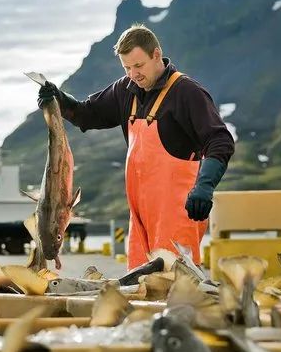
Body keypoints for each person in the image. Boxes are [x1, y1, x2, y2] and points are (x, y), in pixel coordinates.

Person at [38, 24, 235, 268]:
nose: (133, 74)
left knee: (175, 288)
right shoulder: (125, 90)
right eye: (127, 68)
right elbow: (86, 114)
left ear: (156, 55)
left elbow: (220, 140)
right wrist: (58, 99)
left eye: (138, 66)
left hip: (177, 215)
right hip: (139, 219)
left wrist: (204, 187)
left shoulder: (187, 92)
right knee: (139, 292)